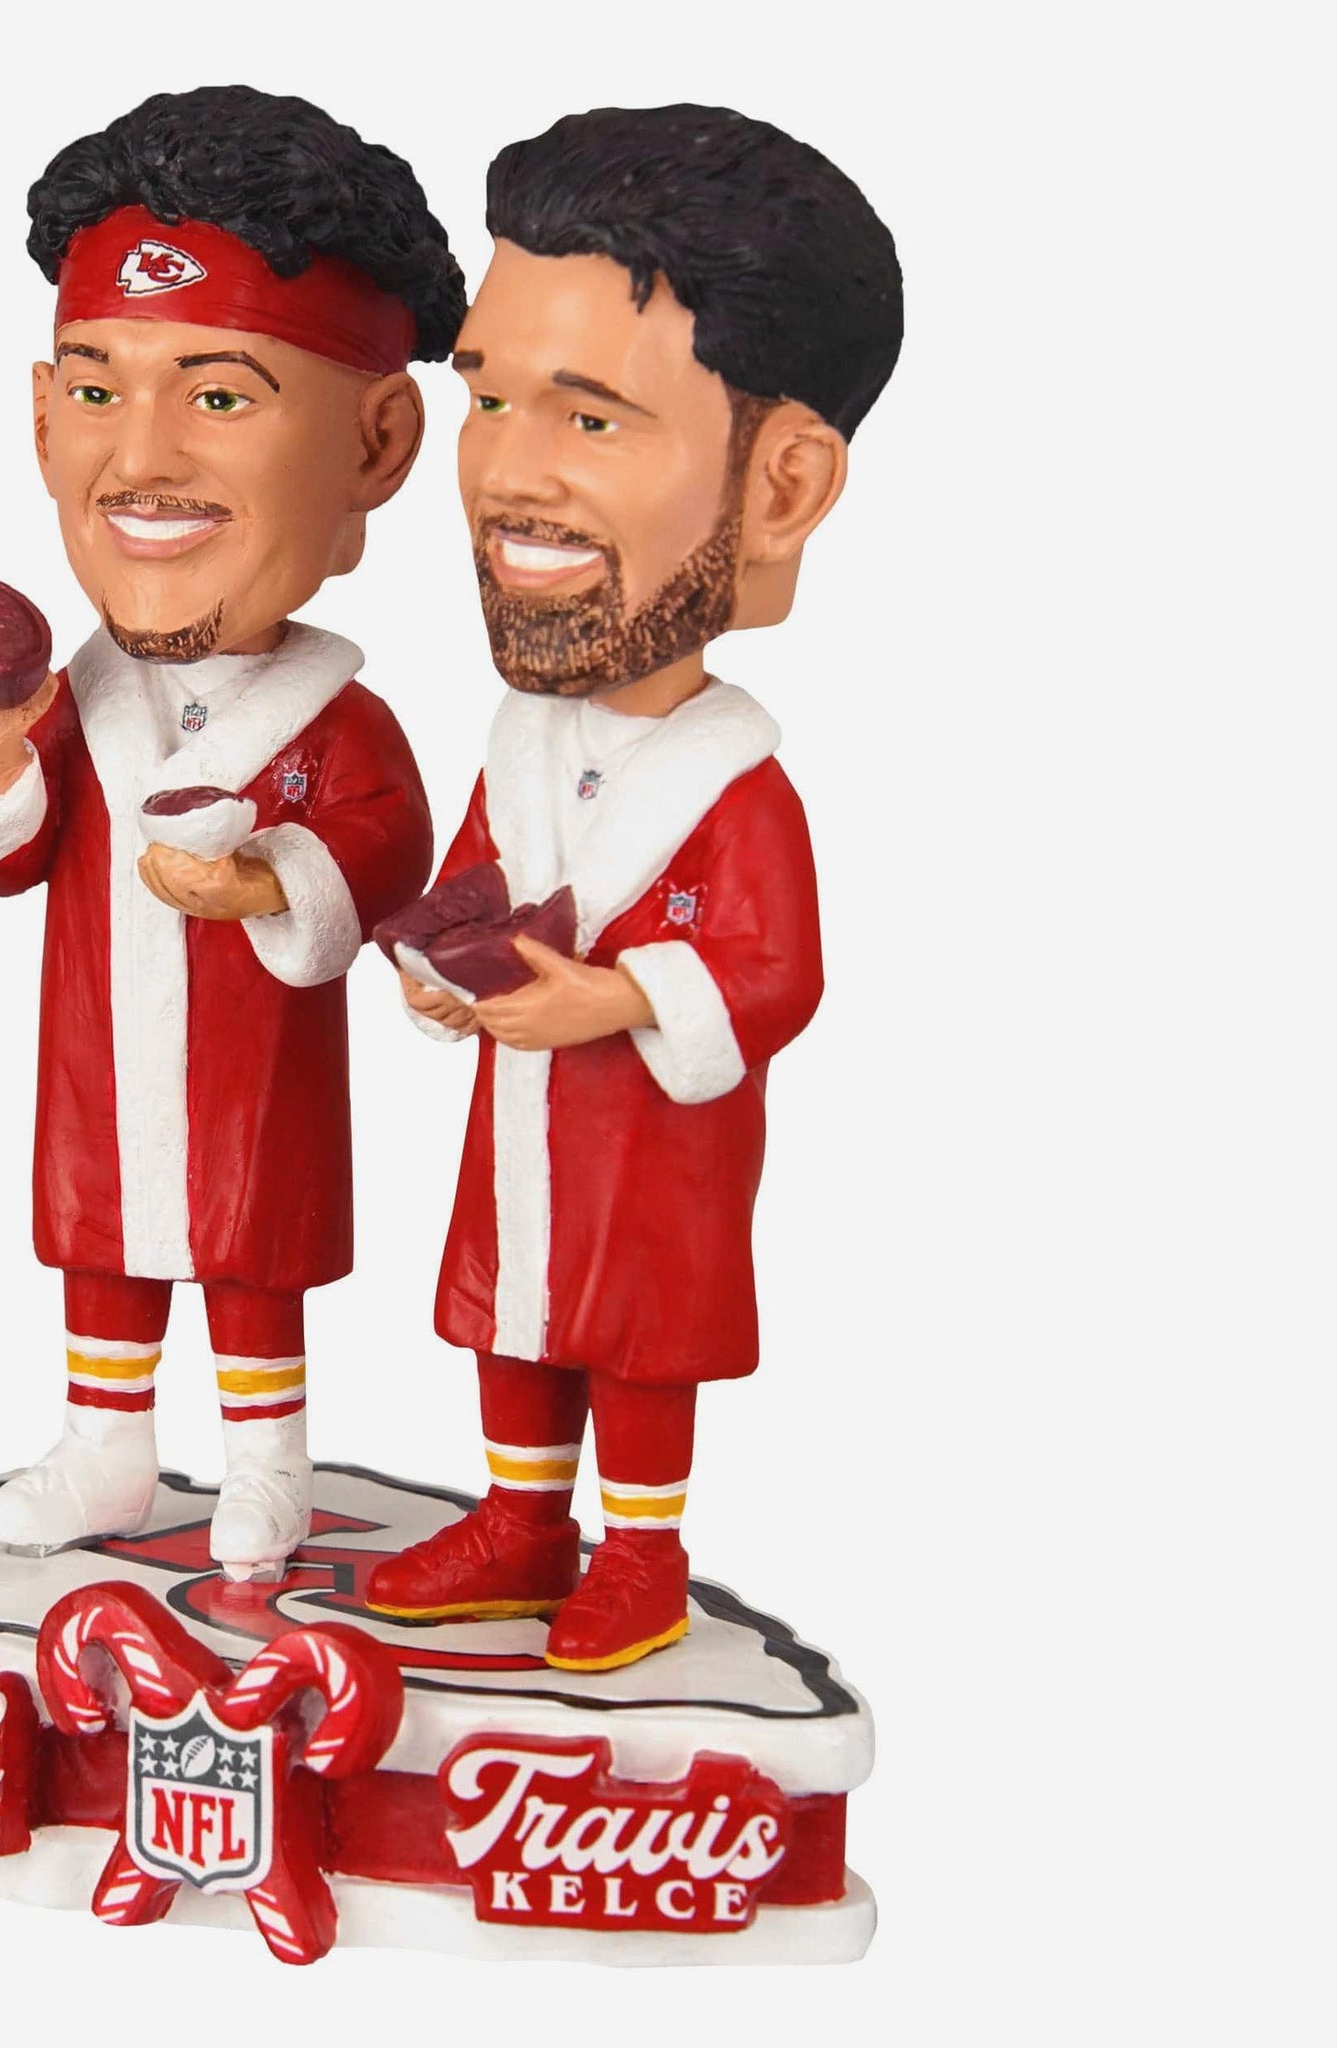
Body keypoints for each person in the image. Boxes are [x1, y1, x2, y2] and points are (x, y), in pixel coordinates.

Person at [366, 105, 903, 1668]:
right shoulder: (522, 744)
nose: (506, 476)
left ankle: (643, 1552)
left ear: (781, 486)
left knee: (636, 1346)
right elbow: (474, 877)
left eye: (592, 419)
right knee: (514, 1323)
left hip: (652, 1151)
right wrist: (438, 965)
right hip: (521, 1126)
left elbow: (775, 974)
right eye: (489, 400)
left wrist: (616, 1001)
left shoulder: (735, 785)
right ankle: (522, 1522)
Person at [0, 88, 458, 1579]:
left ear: (375, 445)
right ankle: (105, 1443)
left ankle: (265, 1463)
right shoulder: (72, 690)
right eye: (98, 392)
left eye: (220, 398)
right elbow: (7, 853)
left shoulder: (332, 717)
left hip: (253, 1072)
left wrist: (270, 880)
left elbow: (385, 848)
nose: (140, 459)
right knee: (102, 1237)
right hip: (94, 1064)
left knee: (247, 1249)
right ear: (43, 417)